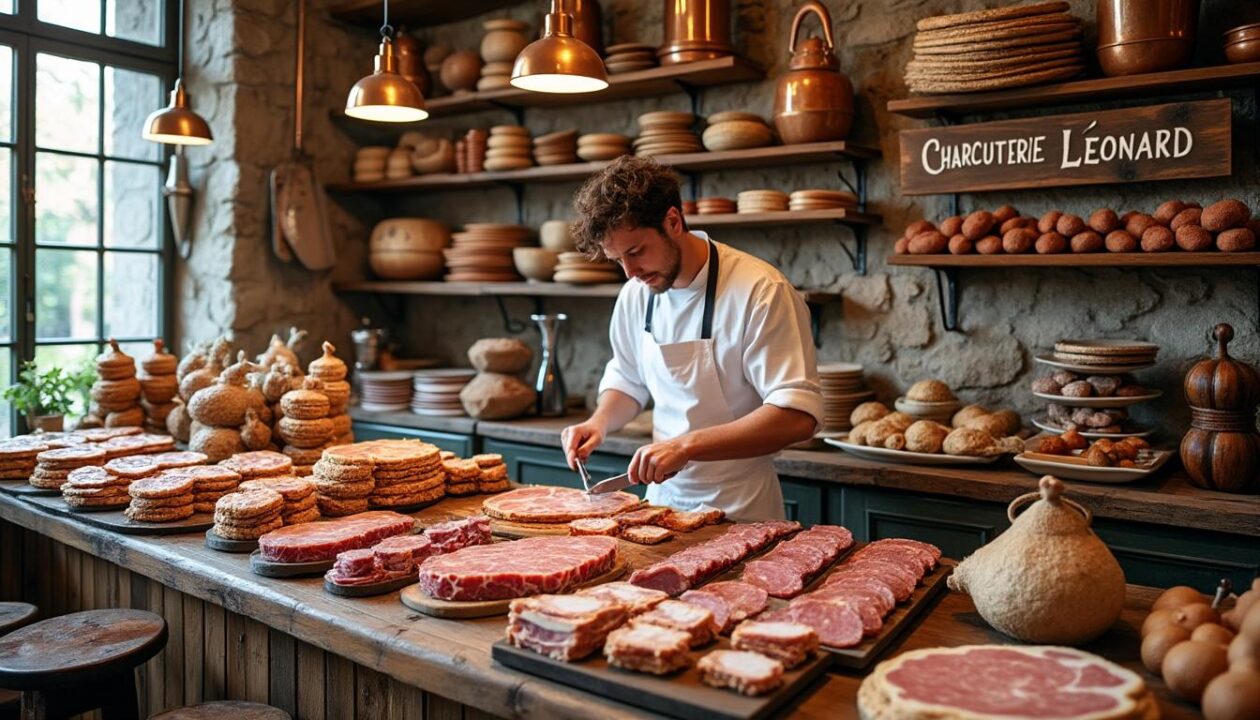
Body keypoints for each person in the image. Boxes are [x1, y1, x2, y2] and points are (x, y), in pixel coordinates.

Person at [561, 156, 823, 520]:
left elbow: (796, 417)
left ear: (673, 221)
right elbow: (628, 378)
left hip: (742, 511)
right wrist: (599, 423)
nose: (630, 272)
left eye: (636, 252)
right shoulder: (637, 293)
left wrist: (687, 445)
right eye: (616, 259)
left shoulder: (761, 291)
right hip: (660, 508)